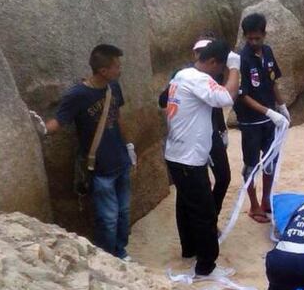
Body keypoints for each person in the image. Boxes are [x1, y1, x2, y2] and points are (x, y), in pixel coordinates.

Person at [28, 44, 136, 260]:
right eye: (116, 66)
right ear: (103, 71)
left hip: (121, 161)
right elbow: (59, 120)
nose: (120, 69)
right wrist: (37, 128)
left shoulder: (113, 87)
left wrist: (130, 147)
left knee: (123, 213)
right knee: (108, 218)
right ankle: (109, 258)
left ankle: (121, 252)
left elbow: (118, 117)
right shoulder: (78, 94)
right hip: (100, 167)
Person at [164, 40, 241, 278]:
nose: (220, 75)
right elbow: (227, 97)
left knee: (186, 205)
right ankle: (206, 267)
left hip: (177, 154)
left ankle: (190, 250)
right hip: (188, 158)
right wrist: (235, 68)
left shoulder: (181, 75)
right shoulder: (198, 78)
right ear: (212, 62)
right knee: (204, 213)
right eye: (220, 70)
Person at [159, 36, 231, 216]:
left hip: (209, 134)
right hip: (190, 149)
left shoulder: (206, 76)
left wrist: (222, 130)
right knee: (197, 204)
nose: (199, 56)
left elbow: (215, 108)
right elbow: (225, 98)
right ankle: (208, 220)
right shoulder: (190, 77)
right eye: (197, 53)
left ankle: (211, 215)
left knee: (222, 177)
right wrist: (235, 68)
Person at [234, 13, 290, 224]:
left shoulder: (267, 52)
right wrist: (268, 112)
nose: (254, 42)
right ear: (245, 37)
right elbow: (243, 94)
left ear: (264, 35)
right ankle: (254, 205)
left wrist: (282, 106)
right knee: (251, 164)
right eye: (250, 39)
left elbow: (273, 81)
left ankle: (267, 200)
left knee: (270, 161)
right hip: (250, 121)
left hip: (269, 120)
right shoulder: (241, 60)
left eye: (257, 38)